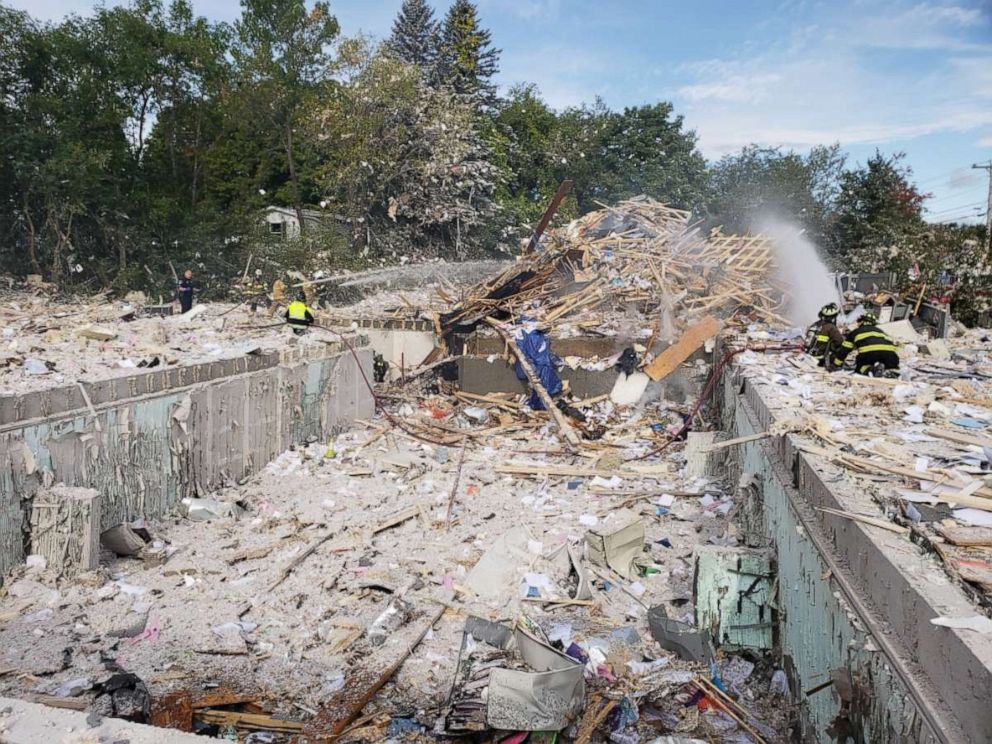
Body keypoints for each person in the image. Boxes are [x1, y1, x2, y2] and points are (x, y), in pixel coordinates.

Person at [833, 312, 900, 376]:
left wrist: (836, 364)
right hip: (889, 353)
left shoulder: (855, 332)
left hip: (869, 354)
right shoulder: (880, 331)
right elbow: (891, 343)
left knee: (861, 367)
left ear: (862, 321)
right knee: (891, 367)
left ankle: (871, 370)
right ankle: (891, 371)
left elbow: (844, 350)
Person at [805, 303, 844, 368]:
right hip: (822, 359)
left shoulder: (815, 324)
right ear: (833, 316)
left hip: (809, 356)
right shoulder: (831, 327)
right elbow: (839, 342)